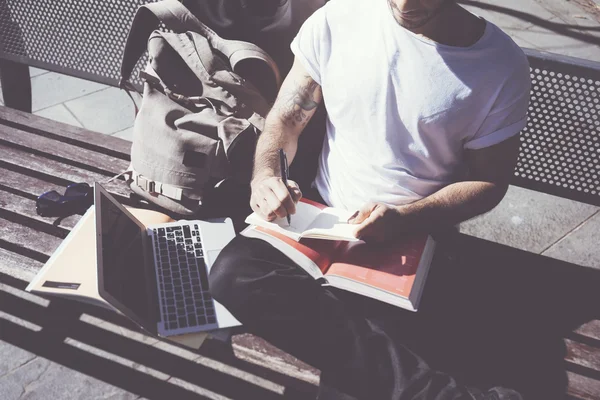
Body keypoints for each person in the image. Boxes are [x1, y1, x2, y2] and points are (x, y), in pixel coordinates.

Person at [209, 0, 531, 399]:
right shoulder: (339, 17)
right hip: (322, 216)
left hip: (416, 233)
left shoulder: (498, 64)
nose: (407, 5)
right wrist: (267, 174)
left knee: (352, 375)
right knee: (232, 275)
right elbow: (286, 119)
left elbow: (489, 181)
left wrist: (405, 218)